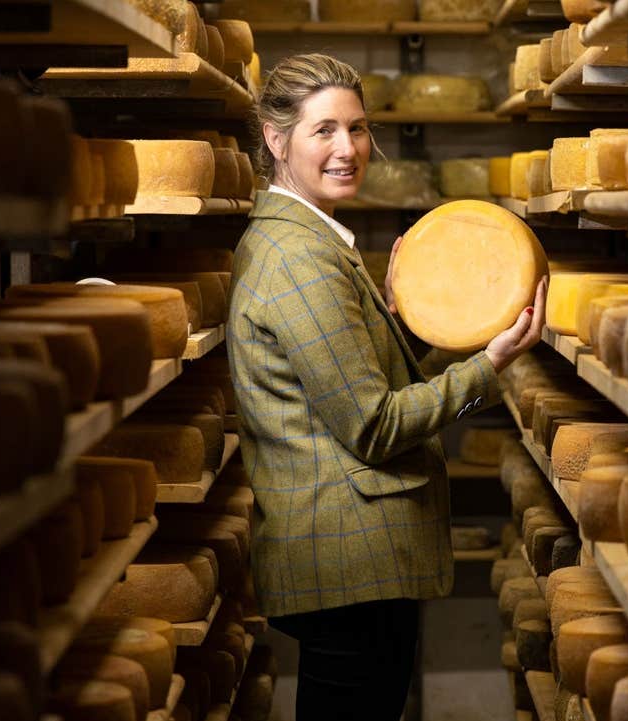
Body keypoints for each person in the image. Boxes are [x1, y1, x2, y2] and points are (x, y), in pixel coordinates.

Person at [228, 53, 548, 720]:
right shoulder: (299, 259)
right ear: (275, 137)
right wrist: (490, 364)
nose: (349, 149)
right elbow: (372, 425)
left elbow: (352, 382)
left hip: (352, 565)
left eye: (359, 128)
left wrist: (405, 324)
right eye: (324, 131)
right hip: (347, 565)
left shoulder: (311, 240)